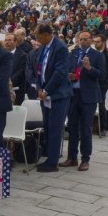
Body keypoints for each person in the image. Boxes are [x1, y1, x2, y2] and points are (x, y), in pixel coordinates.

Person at [32, 22, 71, 172]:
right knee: (48, 126)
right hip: (45, 94)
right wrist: (39, 87)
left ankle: (53, 162)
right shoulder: (43, 48)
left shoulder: (60, 47)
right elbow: (39, 69)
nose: (36, 39)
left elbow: (60, 72)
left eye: (38, 36)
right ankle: (50, 155)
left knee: (55, 127)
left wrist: (47, 90)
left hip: (58, 95)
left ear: (46, 34)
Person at [62, 31, 103, 169]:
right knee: (72, 127)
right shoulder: (73, 53)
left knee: (86, 128)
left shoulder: (97, 55)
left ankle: (85, 159)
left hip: (88, 96)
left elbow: (102, 75)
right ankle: (71, 157)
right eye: (80, 39)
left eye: (85, 39)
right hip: (73, 94)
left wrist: (90, 68)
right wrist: (69, 75)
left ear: (91, 40)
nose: (82, 42)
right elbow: (66, 69)